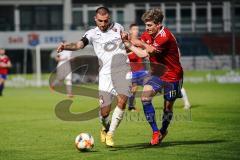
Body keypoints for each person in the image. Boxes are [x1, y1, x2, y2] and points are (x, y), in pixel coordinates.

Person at [56, 6, 131, 147]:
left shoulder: (119, 27)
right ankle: (105, 127)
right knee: (104, 112)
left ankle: (111, 134)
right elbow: (79, 45)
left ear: (109, 18)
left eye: (106, 20)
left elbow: (127, 44)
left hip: (123, 70)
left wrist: (128, 41)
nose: (103, 24)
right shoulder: (91, 33)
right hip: (105, 74)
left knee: (122, 101)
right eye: (100, 21)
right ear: (95, 19)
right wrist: (65, 46)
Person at [122, 8, 183, 145]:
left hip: (173, 76)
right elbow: (140, 50)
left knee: (167, 107)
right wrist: (125, 42)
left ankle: (163, 130)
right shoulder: (147, 35)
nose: (147, 28)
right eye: (146, 25)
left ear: (159, 25)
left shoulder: (165, 36)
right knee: (145, 98)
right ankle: (155, 131)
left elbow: (149, 50)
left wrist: (138, 43)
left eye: (150, 25)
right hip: (157, 74)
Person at [127, 23, 149, 111]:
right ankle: (131, 106)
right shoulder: (127, 42)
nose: (136, 31)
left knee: (149, 86)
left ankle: (146, 104)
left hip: (142, 69)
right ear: (130, 31)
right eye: (134, 29)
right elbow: (124, 55)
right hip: (132, 70)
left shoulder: (140, 41)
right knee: (134, 88)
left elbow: (145, 52)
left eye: (137, 29)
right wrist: (135, 52)